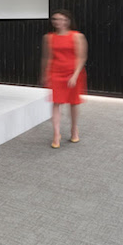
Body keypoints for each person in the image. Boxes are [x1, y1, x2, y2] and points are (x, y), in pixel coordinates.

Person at [40, 9, 88, 149]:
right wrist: (45, 74)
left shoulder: (77, 36)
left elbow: (81, 57)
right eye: (55, 19)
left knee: (73, 103)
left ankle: (74, 128)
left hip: (73, 73)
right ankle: (56, 134)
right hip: (56, 72)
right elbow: (47, 57)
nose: (57, 22)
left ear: (67, 21)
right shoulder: (48, 37)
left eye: (61, 19)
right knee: (56, 103)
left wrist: (75, 75)